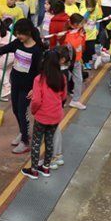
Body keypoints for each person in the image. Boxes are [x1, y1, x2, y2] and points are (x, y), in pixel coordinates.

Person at [0, 19, 44, 154]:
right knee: (16, 110)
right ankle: (23, 132)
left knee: (22, 112)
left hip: (28, 87)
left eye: (21, 34)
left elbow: (40, 72)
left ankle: (25, 142)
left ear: (28, 32)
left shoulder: (37, 50)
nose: (19, 36)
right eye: (17, 33)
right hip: (15, 82)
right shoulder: (18, 43)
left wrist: (35, 89)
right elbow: (7, 48)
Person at [22, 48, 68, 180]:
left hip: (42, 116)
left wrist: (33, 110)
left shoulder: (39, 79)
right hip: (56, 115)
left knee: (36, 142)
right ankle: (46, 167)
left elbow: (36, 100)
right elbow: (64, 96)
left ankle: (34, 170)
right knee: (49, 141)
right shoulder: (62, 78)